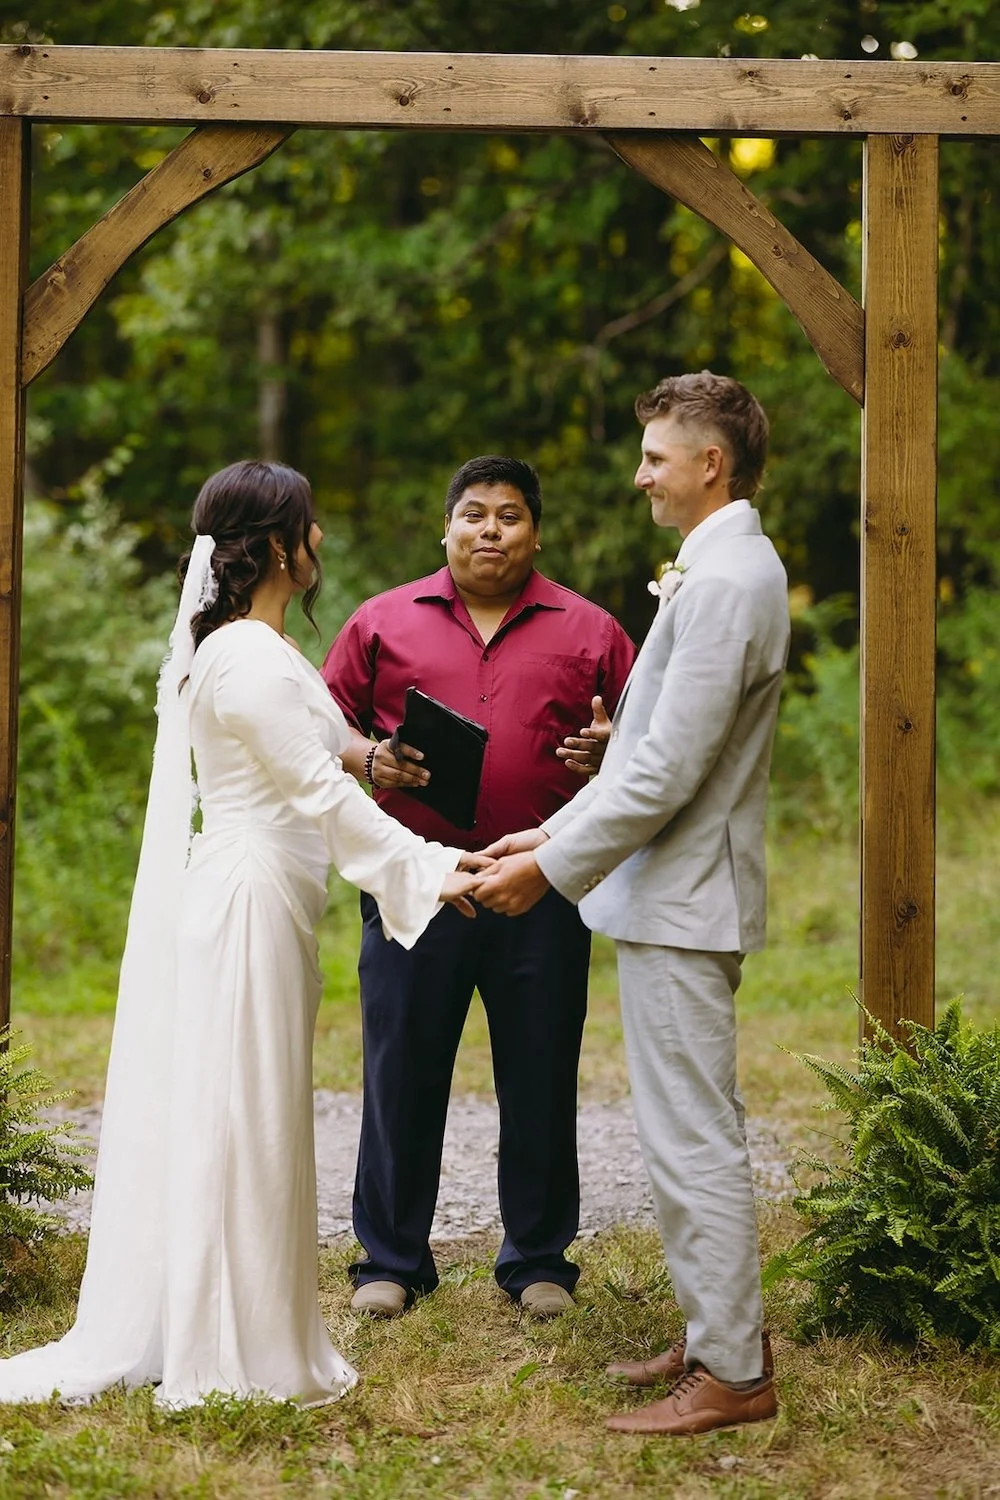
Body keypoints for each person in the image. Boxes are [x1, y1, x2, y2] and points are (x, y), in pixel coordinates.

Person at [0, 460, 482, 1409]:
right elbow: (317, 792)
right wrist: (430, 868)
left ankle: (247, 1321)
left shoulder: (259, 650)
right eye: (310, 526)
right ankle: (231, 1349)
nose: (321, 543)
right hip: (250, 896)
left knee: (256, 1105)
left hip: (270, 894)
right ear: (273, 546)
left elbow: (336, 746)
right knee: (242, 1116)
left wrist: (384, 755)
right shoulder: (245, 658)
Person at [474, 373, 789, 1436]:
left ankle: (735, 1374)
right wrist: (547, 830)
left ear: (711, 464)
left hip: (686, 903)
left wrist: (547, 876)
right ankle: (713, 1336)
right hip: (669, 898)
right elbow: (646, 751)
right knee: (683, 1131)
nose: (639, 471)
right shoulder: (712, 569)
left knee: (693, 1137)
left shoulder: (732, 580)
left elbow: (667, 775)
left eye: (656, 455)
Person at [321, 454, 635, 1319]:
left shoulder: (591, 628)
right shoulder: (382, 621)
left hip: (541, 886)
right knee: (400, 1070)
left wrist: (610, 752)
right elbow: (322, 722)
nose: (489, 529)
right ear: (446, 527)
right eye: (473, 514)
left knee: (539, 1071)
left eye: (508, 515)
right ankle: (390, 1260)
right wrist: (370, 757)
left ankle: (537, 1261)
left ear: (535, 531)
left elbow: (652, 742)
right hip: (415, 883)